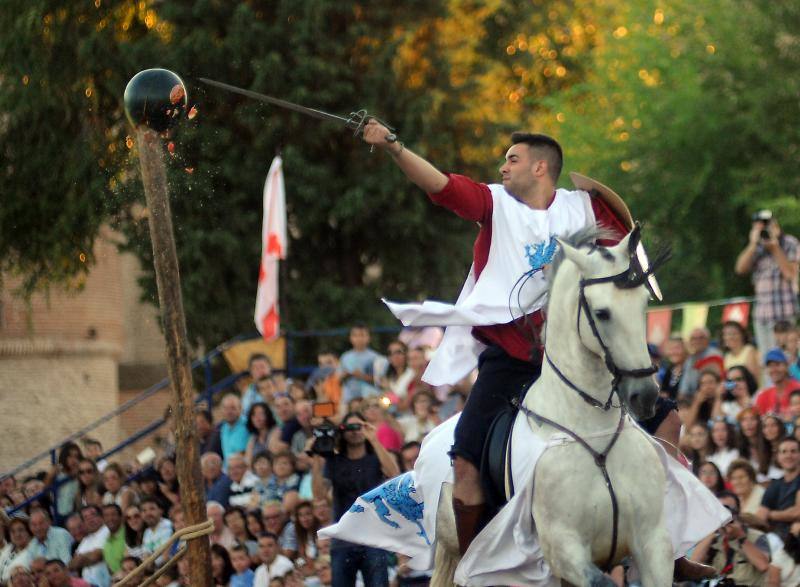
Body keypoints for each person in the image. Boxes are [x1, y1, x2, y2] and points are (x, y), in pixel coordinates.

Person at [363, 121, 638, 551]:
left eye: (513, 159)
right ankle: (471, 563)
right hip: (513, 357)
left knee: (666, 418)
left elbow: (623, 261)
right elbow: (441, 186)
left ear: (541, 167)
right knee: (466, 462)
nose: (503, 167)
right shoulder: (494, 201)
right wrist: (395, 147)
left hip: (585, 357)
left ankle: (668, 545)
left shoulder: (584, 207)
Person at [311, 412, 400, 586]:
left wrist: (374, 439)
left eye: (358, 426)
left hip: (373, 534)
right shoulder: (335, 461)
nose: (354, 431)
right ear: (341, 432)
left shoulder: (375, 459)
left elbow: (394, 473)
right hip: (344, 535)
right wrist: (316, 457)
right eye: (348, 427)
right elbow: (319, 495)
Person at [735, 210, 799, 355]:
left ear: (775, 224)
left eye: (766, 224)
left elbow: (790, 274)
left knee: (787, 356)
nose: (763, 229)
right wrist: (752, 245)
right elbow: (740, 269)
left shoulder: (789, 243)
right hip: (762, 314)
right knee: (767, 359)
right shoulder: (756, 247)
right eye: (758, 225)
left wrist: (775, 247)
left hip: (784, 312)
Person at [691, 491, 770, 585]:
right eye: (720, 509)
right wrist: (712, 531)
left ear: (738, 512)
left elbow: (763, 566)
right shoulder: (713, 538)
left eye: (728, 509)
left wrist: (740, 537)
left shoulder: (756, 536)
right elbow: (692, 566)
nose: (724, 513)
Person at [756, 437, 800, 538]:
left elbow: (797, 513)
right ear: (778, 457)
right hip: (777, 537)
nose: (788, 455)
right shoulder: (775, 484)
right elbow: (761, 515)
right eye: (784, 452)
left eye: (793, 451)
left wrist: (771, 515)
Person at [338, 325, 383, 403]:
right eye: (355, 335)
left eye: (362, 335)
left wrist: (361, 376)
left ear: (369, 338)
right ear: (350, 338)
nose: (359, 338)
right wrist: (345, 375)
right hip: (349, 399)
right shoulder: (345, 357)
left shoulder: (376, 357)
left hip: (370, 399)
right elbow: (338, 379)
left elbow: (380, 381)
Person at [69, 505, 111, 587]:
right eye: (86, 517)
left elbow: (97, 556)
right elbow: (73, 564)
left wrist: (81, 558)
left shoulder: (107, 531)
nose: (90, 519)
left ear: (101, 517)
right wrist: (87, 557)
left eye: (93, 515)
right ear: (83, 523)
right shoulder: (86, 540)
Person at [754, 348, 800, 420]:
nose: (773, 369)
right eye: (770, 366)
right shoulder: (763, 397)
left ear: (787, 366)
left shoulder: (798, 388)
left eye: (777, 364)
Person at [679, 327, 723, 397]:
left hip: (709, 397)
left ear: (708, 340)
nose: (697, 341)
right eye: (693, 338)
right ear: (690, 341)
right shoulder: (690, 359)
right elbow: (685, 384)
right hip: (692, 397)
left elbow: (712, 382)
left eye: (701, 338)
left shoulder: (714, 355)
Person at [0, 517, 35, 583]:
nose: (17, 534)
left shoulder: (33, 552)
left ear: (29, 532)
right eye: (13, 531)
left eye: (20, 530)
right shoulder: (8, 548)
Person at [218, 394, 251, 465]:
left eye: (233, 408)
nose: (229, 412)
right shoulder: (223, 428)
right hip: (229, 470)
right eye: (226, 408)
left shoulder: (248, 425)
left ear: (240, 408)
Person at [140, 497, 173, 566]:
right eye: (144, 510)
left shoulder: (168, 526)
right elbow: (146, 554)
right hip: (155, 569)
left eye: (152, 509)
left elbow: (166, 555)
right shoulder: (147, 532)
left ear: (161, 510)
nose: (148, 513)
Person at [101, 503, 126, 575]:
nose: (110, 518)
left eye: (113, 514)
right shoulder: (105, 542)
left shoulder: (129, 534)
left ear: (121, 517)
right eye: (106, 516)